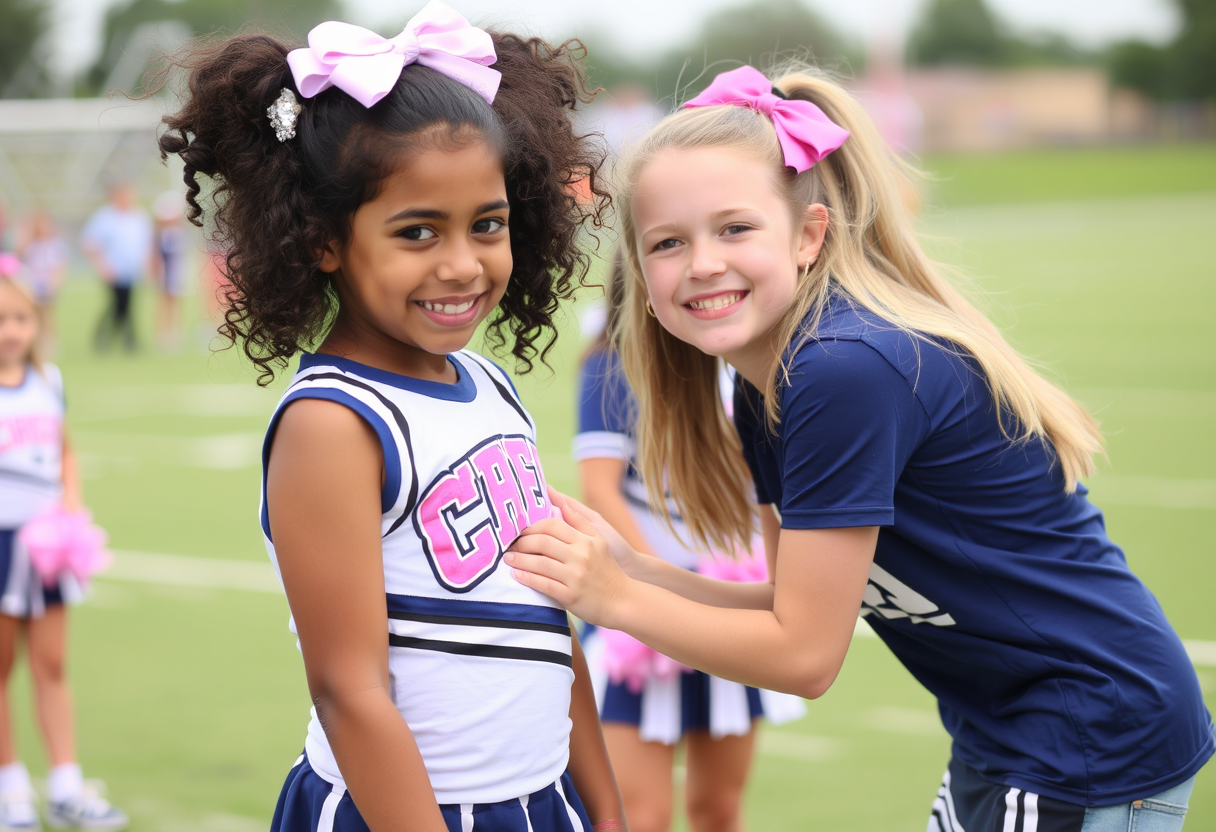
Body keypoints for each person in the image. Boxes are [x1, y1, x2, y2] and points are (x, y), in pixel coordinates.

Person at [507, 65, 1213, 832]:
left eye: (734, 228)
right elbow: (787, 607)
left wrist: (617, 601)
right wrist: (634, 569)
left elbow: (804, 659)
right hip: (1010, 729)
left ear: (808, 236)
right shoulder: (766, 383)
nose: (702, 262)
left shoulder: (841, 370)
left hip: (1085, 734)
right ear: (638, 276)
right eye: (668, 243)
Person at [159, 4, 623, 831]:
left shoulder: (488, 385)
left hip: (540, 801)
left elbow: (550, 629)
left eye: (487, 224)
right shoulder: (335, 424)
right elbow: (351, 690)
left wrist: (605, 813)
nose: (461, 264)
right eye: (417, 232)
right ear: (323, 241)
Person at [575, 259, 802, 832]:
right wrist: (642, 580)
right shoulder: (611, 367)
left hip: (724, 601)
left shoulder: (744, 358)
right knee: (638, 818)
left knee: (718, 811)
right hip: (642, 617)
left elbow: (763, 488)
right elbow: (599, 487)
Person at [0, 277, 127, 832]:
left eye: (20, 320)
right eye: (0, 321)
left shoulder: (48, 380)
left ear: (36, 324)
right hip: (2, 547)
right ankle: (11, 793)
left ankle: (65, 786)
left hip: (47, 546)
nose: (11, 332)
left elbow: (65, 452)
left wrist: (71, 504)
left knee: (52, 666)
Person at [80, 185, 152, 353]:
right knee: (119, 305)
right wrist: (102, 265)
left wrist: (147, 266)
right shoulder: (105, 217)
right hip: (114, 270)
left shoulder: (139, 217)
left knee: (126, 305)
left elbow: (146, 245)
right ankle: (125, 340)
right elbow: (90, 244)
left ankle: (114, 339)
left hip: (133, 271)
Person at [16, 210, 70, 356]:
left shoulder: (54, 244)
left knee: (46, 314)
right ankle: (35, 342)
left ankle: (50, 343)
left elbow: (59, 266)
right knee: (33, 314)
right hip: (31, 283)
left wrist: (55, 283)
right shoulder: (30, 245)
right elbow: (19, 257)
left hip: (47, 283)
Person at [150, 192, 191, 351]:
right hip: (164, 272)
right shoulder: (159, 234)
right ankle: (162, 334)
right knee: (163, 301)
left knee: (175, 301)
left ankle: (174, 332)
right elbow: (156, 255)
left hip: (176, 271)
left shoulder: (179, 233)